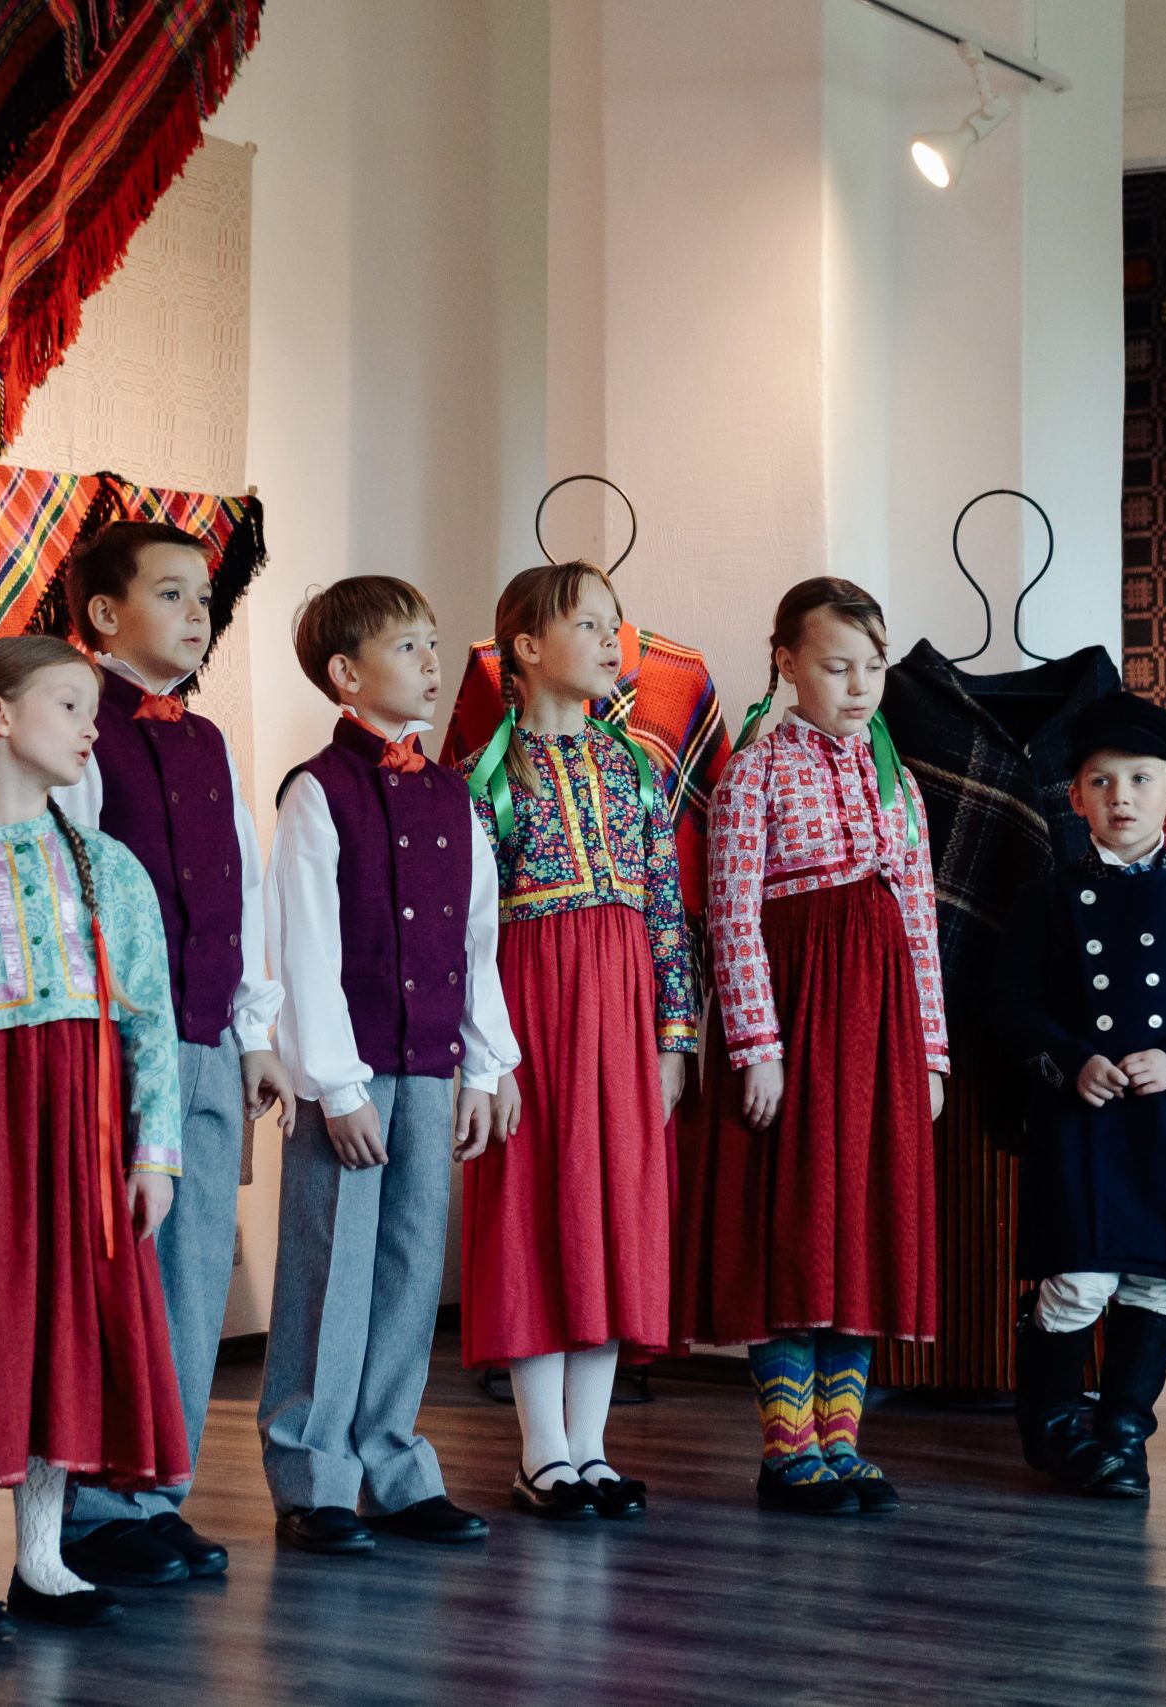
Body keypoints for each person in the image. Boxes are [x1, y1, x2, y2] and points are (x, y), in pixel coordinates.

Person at [0, 633, 192, 1635]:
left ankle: (43, 1556)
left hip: (76, 1137)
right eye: (70, 706)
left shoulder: (111, 870)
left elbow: (150, 1023)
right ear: (0, 715)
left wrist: (152, 1152)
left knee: (63, 1330)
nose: (90, 729)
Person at [49, 521, 292, 1588]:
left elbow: (242, 887)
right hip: (120, 1047)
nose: (198, 613)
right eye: (172, 594)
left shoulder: (209, 740)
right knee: (123, 1275)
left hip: (207, 1039)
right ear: (106, 616)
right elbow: (69, 886)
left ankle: (159, 1492)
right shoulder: (79, 723)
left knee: (194, 1276)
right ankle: (95, 1505)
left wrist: (254, 1030)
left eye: (204, 596)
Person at [257, 577, 518, 1556]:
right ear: (346, 674)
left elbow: (477, 941)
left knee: (411, 1269)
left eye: (432, 643)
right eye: (408, 647)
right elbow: (305, 948)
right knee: (330, 1268)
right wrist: (335, 1082)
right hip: (353, 1076)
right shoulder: (316, 791)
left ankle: (394, 1463)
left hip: (432, 1065)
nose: (431, 662)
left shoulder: (455, 796)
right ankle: (312, 1474)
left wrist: (486, 1067)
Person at [691, 578, 944, 1514]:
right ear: (787, 663)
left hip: (880, 1026)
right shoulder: (753, 772)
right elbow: (731, 914)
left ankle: (842, 1440)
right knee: (795, 1221)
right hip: (796, 1018)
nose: (859, 685)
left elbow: (919, 922)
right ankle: (786, 1446)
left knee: (863, 1219)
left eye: (873, 666)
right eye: (837, 666)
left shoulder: (898, 781)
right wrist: (757, 1042)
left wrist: (932, 1053)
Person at [457, 561, 698, 1520]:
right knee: (534, 1212)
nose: (612, 642)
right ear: (525, 647)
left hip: (622, 1015)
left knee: (614, 1213)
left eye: (614, 624)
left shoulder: (634, 768)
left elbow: (666, 908)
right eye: (589, 624)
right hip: (533, 1017)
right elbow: (470, 934)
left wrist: (674, 1036)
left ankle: (591, 1446)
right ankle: (541, 1452)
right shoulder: (486, 778)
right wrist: (490, 1058)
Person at [996, 691, 1166, 1498]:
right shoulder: (1043, 899)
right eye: (1102, 781)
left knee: (1153, 1282)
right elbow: (1011, 1006)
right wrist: (1072, 1060)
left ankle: (1123, 1434)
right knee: (1079, 1280)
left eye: (1141, 779)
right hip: (1081, 1124)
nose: (1122, 797)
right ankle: (1052, 1429)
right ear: (1075, 797)